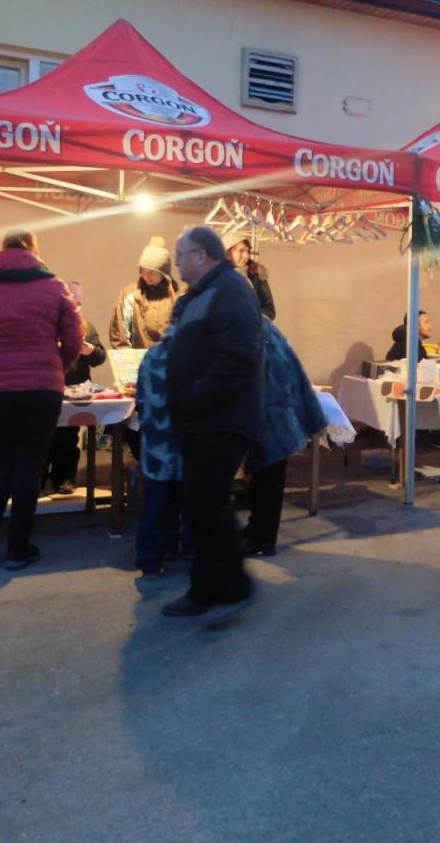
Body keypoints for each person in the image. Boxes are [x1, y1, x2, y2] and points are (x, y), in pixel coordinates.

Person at [0, 230, 82, 570]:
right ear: (34, 250)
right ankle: (18, 548)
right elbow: (74, 338)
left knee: (3, 463)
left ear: (3, 250)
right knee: (29, 466)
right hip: (43, 388)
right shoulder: (55, 287)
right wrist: (57, 366)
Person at [159, 227, 265, 620]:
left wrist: (196, 394)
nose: (177, 262)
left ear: (202, 255)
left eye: (181, 254)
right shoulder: (202, 294)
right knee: (204, 504)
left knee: (208, 503)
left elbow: (237, 358)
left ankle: (224, 588)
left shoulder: (231, 291)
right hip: (203, 417)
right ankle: (216, 587)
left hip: (220, 418)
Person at [241, 316, 329, 558]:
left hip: (270, 412)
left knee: (267, 476)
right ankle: (258, 531)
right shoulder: (260, 324)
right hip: (271, 411)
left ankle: (262, 538)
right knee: (263, 475)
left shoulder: (251, 326)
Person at [132, 330, 188, 579]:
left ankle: (151, 558)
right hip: (187, 443)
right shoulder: (199, 353)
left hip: (157, 443)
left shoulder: (153, 354)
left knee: (156, 501)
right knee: (188, 499)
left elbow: (141, 399)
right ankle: (188, 547)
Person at [43, 281, 107, 495]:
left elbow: (100, 357)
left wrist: (91, 351)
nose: (75, 308)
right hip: (49, 388)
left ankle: (65, 478)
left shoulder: (86, 326)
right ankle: (39, 478)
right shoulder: (46, 324)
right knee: (44, 436)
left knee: (69, 438)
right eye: (71, 303)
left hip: (75, 391)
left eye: (78, 304)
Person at [109, 236, 181, 349]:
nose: (145, 275)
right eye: (143, 270)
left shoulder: (177, 297)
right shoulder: (130, 295)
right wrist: (127, 357)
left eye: (151, 272)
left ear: (163, 273)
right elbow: (120, 335)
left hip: (168, 359)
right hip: (137, 359)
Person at [225, 231, 277, 320]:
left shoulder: (256, 275)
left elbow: (270, 311)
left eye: (248, 251)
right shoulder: (215, 277)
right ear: (228, 252)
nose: (245, 256)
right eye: (241, 251)